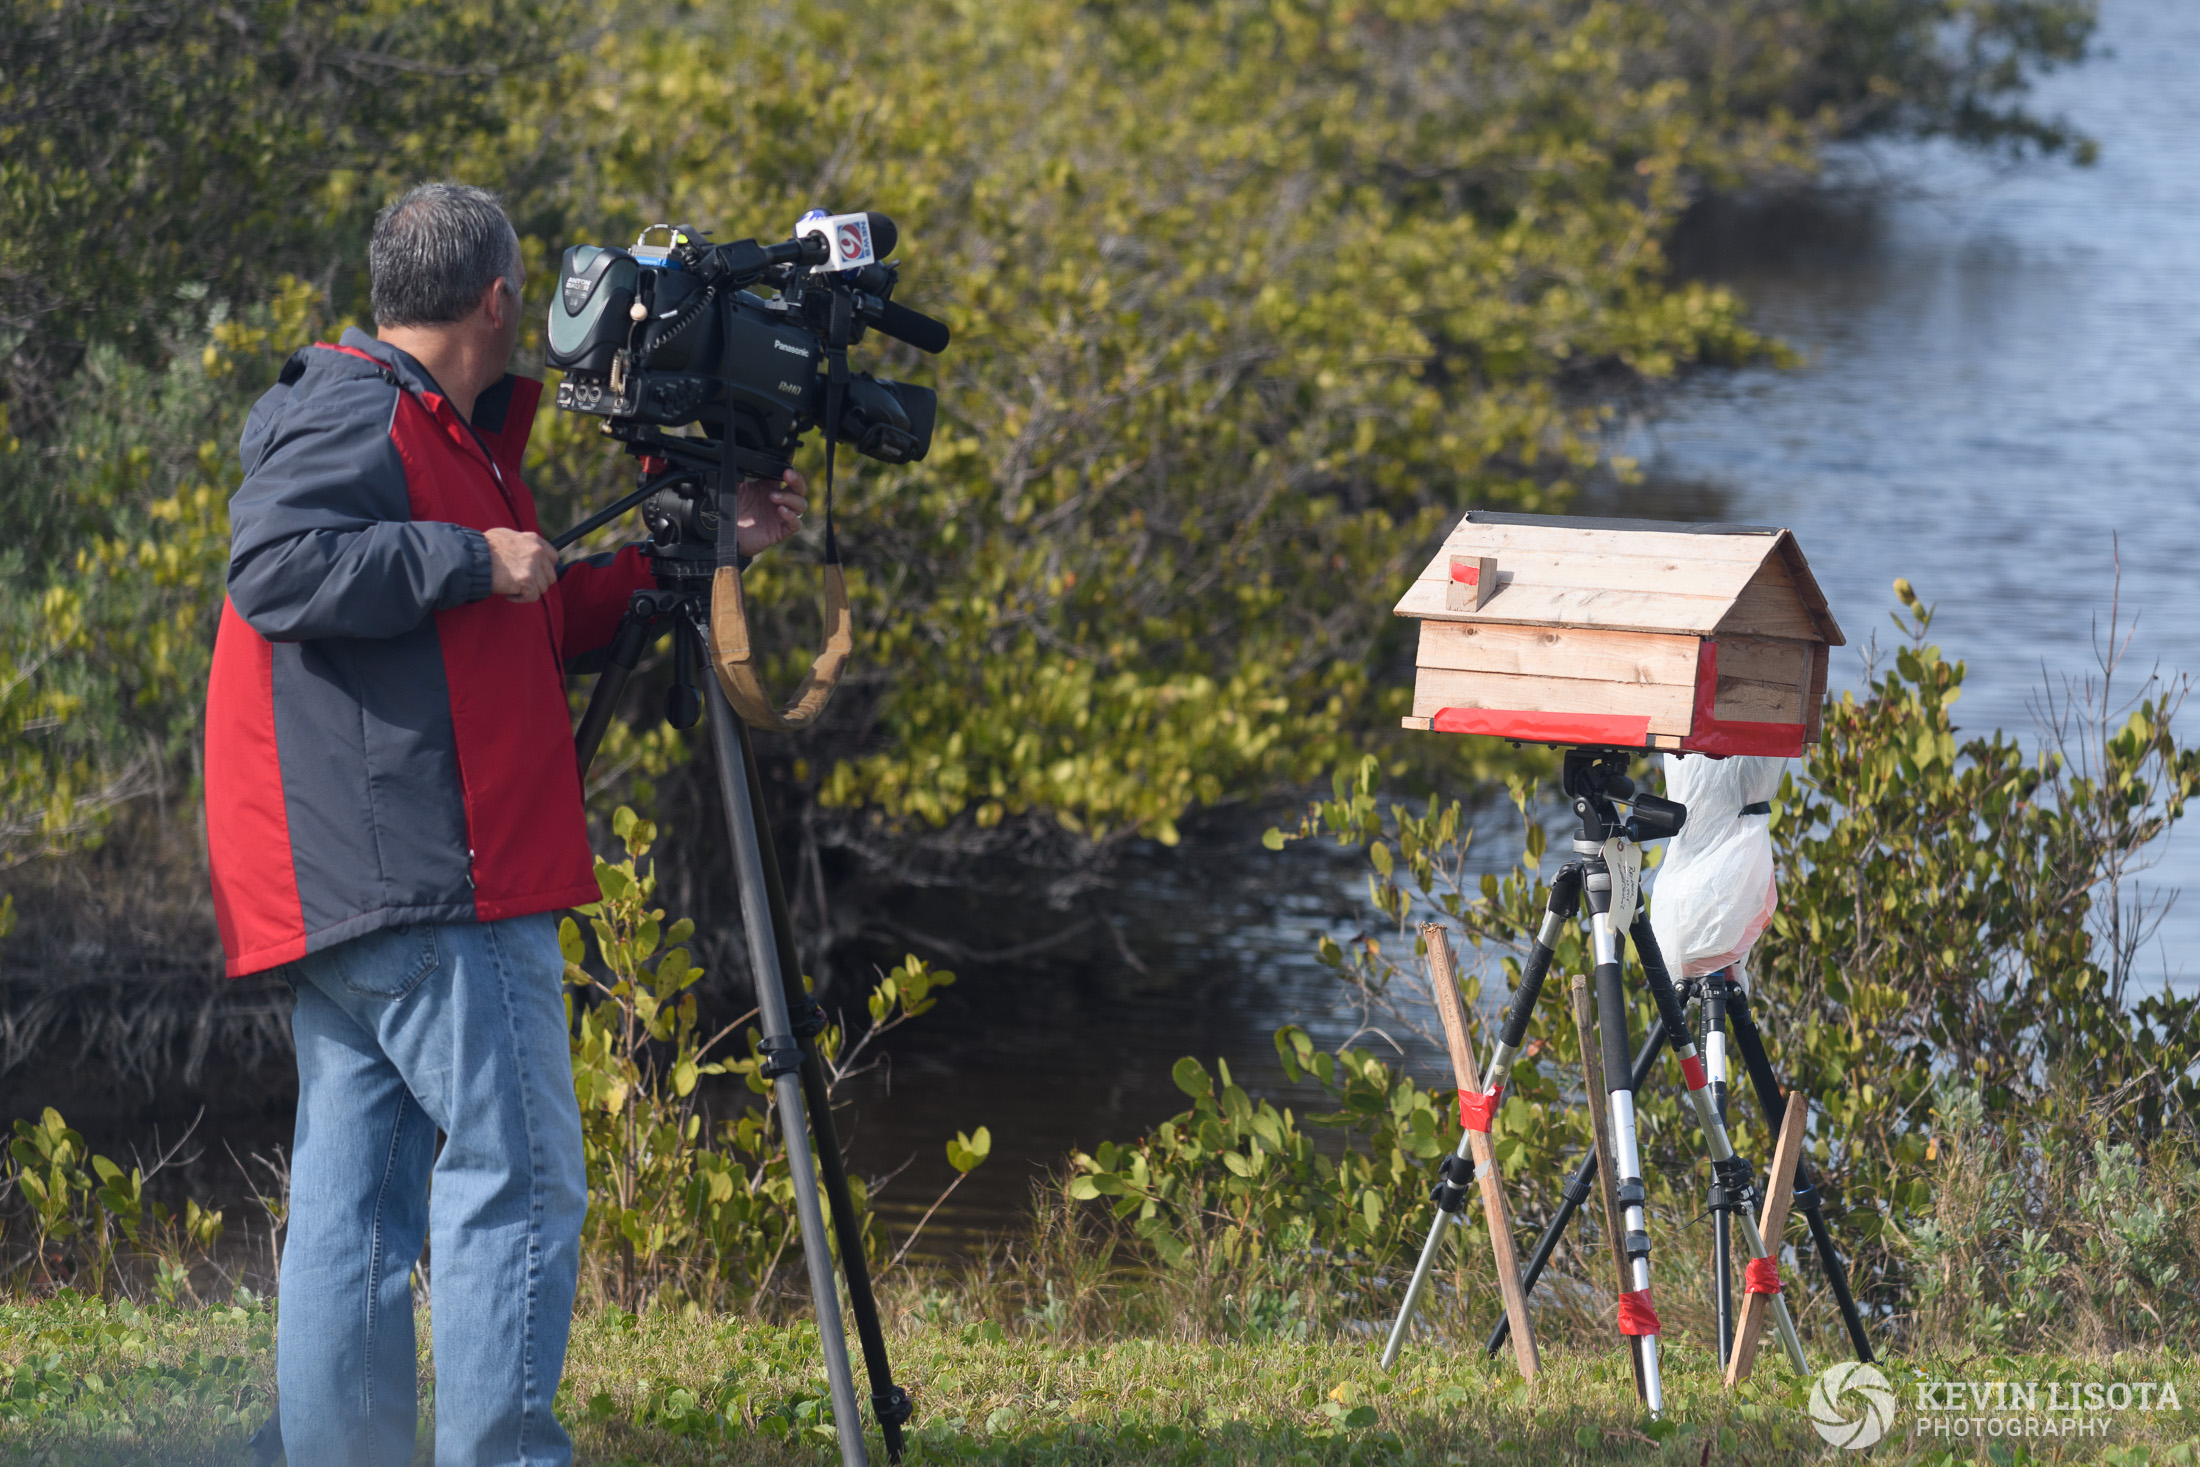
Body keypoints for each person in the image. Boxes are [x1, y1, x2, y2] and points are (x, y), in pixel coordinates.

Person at [203, 182, 806, 1467]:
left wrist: (689, 554)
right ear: (497, 297)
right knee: (518, 1187)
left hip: (368, 887)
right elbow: (274, 566)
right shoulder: (359, 410)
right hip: (431, 882)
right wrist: (472, 555)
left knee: (353, 1213)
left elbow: (528, 630)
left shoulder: (442, 435)